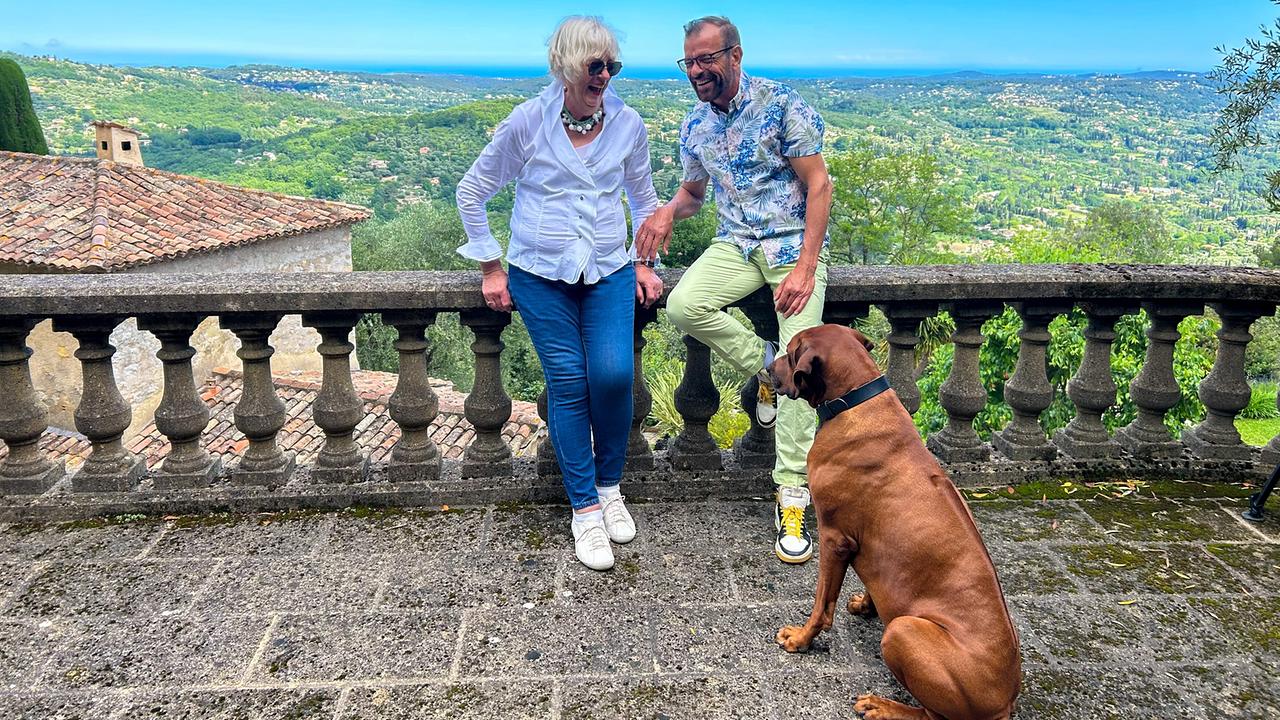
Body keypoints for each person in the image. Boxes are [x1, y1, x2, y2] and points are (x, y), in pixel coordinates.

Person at [455, 16, 663, 571]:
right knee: (569, 381)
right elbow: (471, 191)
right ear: (569, 66)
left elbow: (644, 200)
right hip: (539, 273)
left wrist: (645, 261)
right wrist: (490, 266)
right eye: (595, 65)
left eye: (612, 65)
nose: (605, 75)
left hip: (608, 268)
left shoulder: (628, 124)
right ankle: (585, 509)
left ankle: (611, 484)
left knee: (615, 375)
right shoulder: (528, 123)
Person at [636, 15, 832, 565]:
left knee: (805, 358)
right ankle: (768, 367)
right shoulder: (695, 125)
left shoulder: (781, 104)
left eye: (706, 59)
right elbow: (693, 193)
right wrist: (667, 213)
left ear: (734, 56)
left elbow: (819, 185)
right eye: (689, 62)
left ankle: (792, 489)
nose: (697, 71)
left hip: (792, 246)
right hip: (736, 244)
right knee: (683, 304)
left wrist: (806, 268)